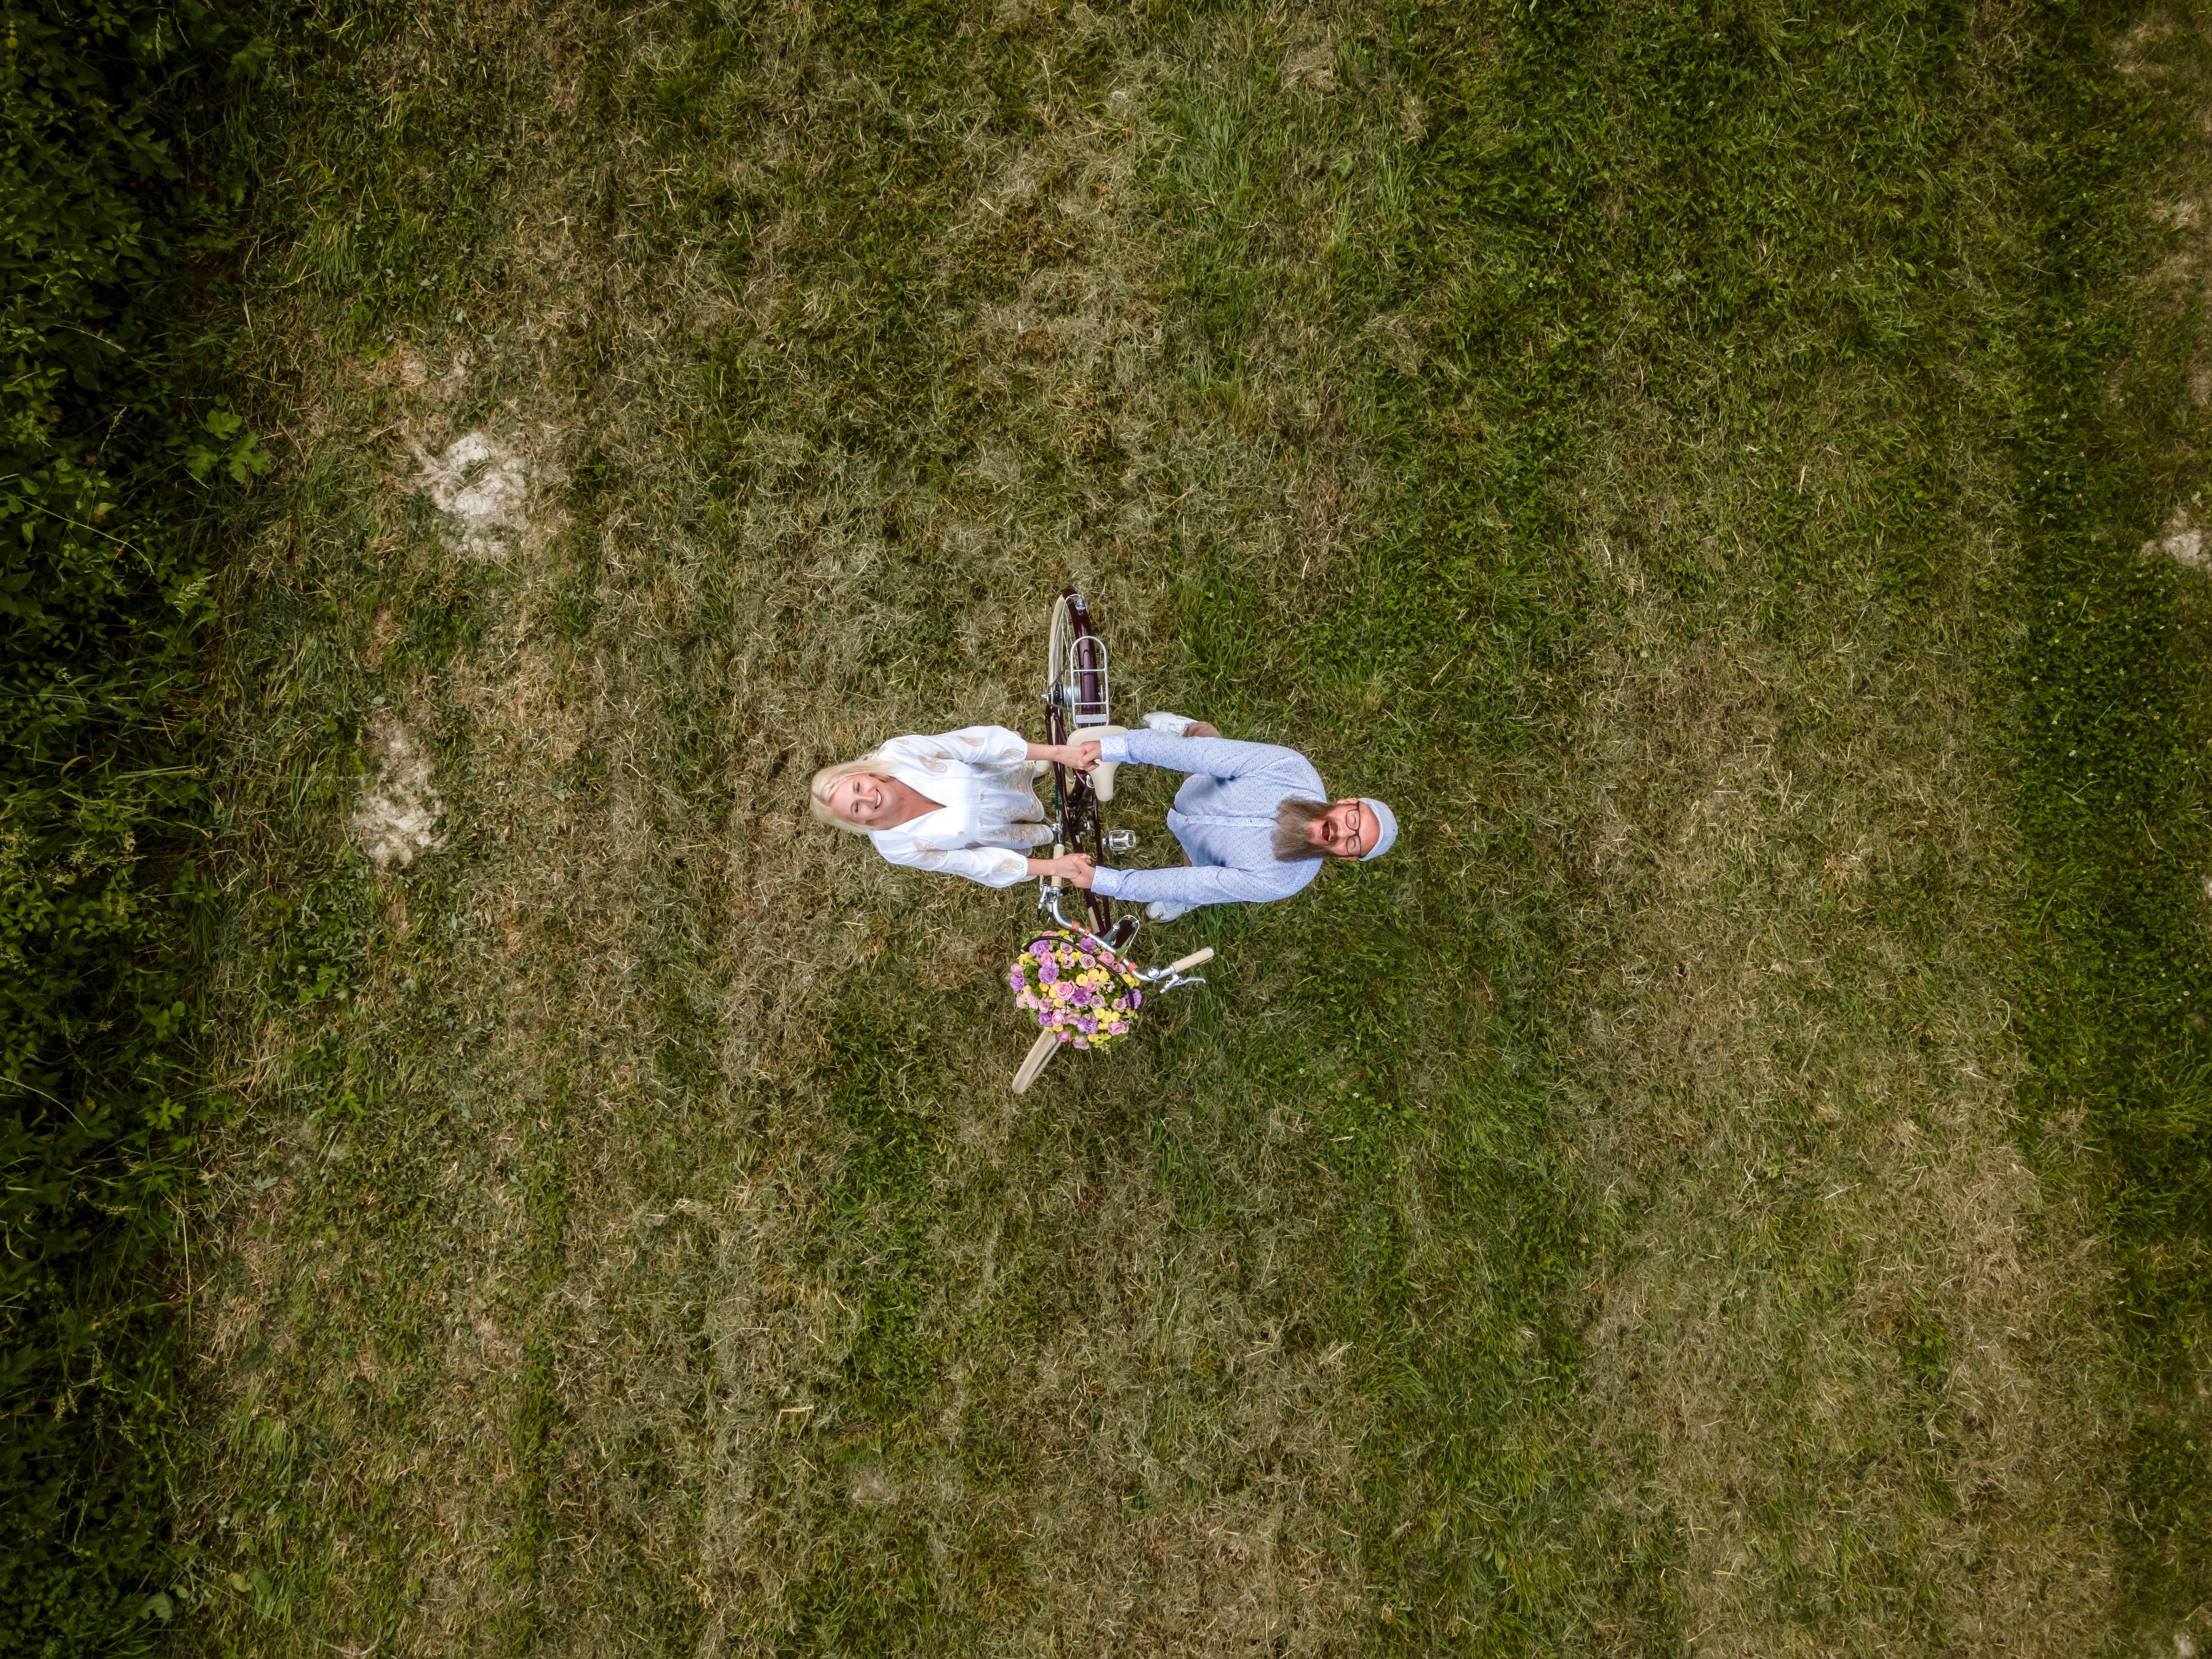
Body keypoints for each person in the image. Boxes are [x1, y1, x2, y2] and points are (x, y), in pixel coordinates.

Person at [1059, 712, 1397, 919]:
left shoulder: (1284, 881)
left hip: (1200, 857)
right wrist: (1116, 748)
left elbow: (1195, 883)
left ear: (1347, 857)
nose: (1343, 833)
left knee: (1195, 889)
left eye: (1353, 844)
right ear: (1347, 802)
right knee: (1203, 744)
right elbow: (1198, 757)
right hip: (1200, 782)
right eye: (1354, 821)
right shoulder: (1292, 769)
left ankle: (1185, 903)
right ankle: (1186, 726)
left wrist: (1109, 883)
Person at [808, 725, 1096, 888]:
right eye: (857, 808)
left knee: (1013, 760)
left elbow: (972, 746)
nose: (869, 798)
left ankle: (1028, 767)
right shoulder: (894, 847)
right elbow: (970, 863)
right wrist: (1054, 867)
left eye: (859, 787)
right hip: (1000, 834)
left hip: (998, 774)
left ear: (862, 773)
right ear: (858, 822)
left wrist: (1059, 753)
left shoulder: (897, 754)